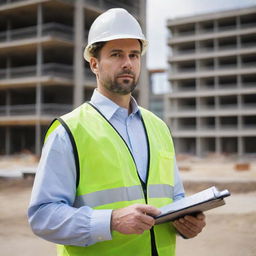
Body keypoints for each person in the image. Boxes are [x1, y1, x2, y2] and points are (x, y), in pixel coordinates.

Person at [28, 8, 206, 256]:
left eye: (134, 55)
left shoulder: (159, 127)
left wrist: (187, 222)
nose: (127, 63)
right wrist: (110, 221)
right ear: (94, 63)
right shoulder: (69, 130)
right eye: (116, 54)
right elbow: (42, 216)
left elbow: (174, 196)